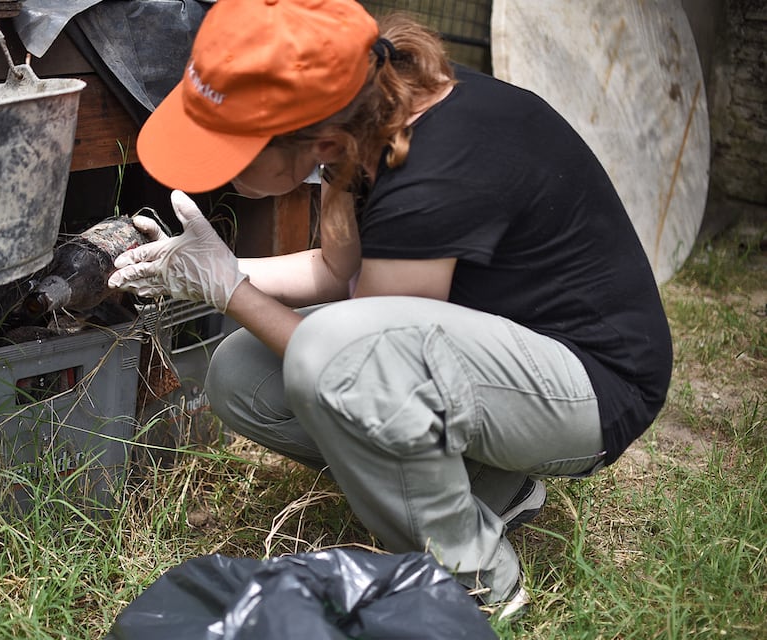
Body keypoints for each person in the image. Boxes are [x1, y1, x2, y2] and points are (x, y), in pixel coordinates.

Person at [108, 0, 673, 621]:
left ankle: (475, 578)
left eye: (232, 151)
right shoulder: (367, 120)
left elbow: (355, 360)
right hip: (502, 359)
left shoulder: (433, 171)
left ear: (319, 139)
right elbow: (336, 271)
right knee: (241, 373)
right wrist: (211, 268)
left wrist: (230, 291)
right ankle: (491, 488)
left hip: (591, 388)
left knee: (326, 358)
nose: (218, 173)